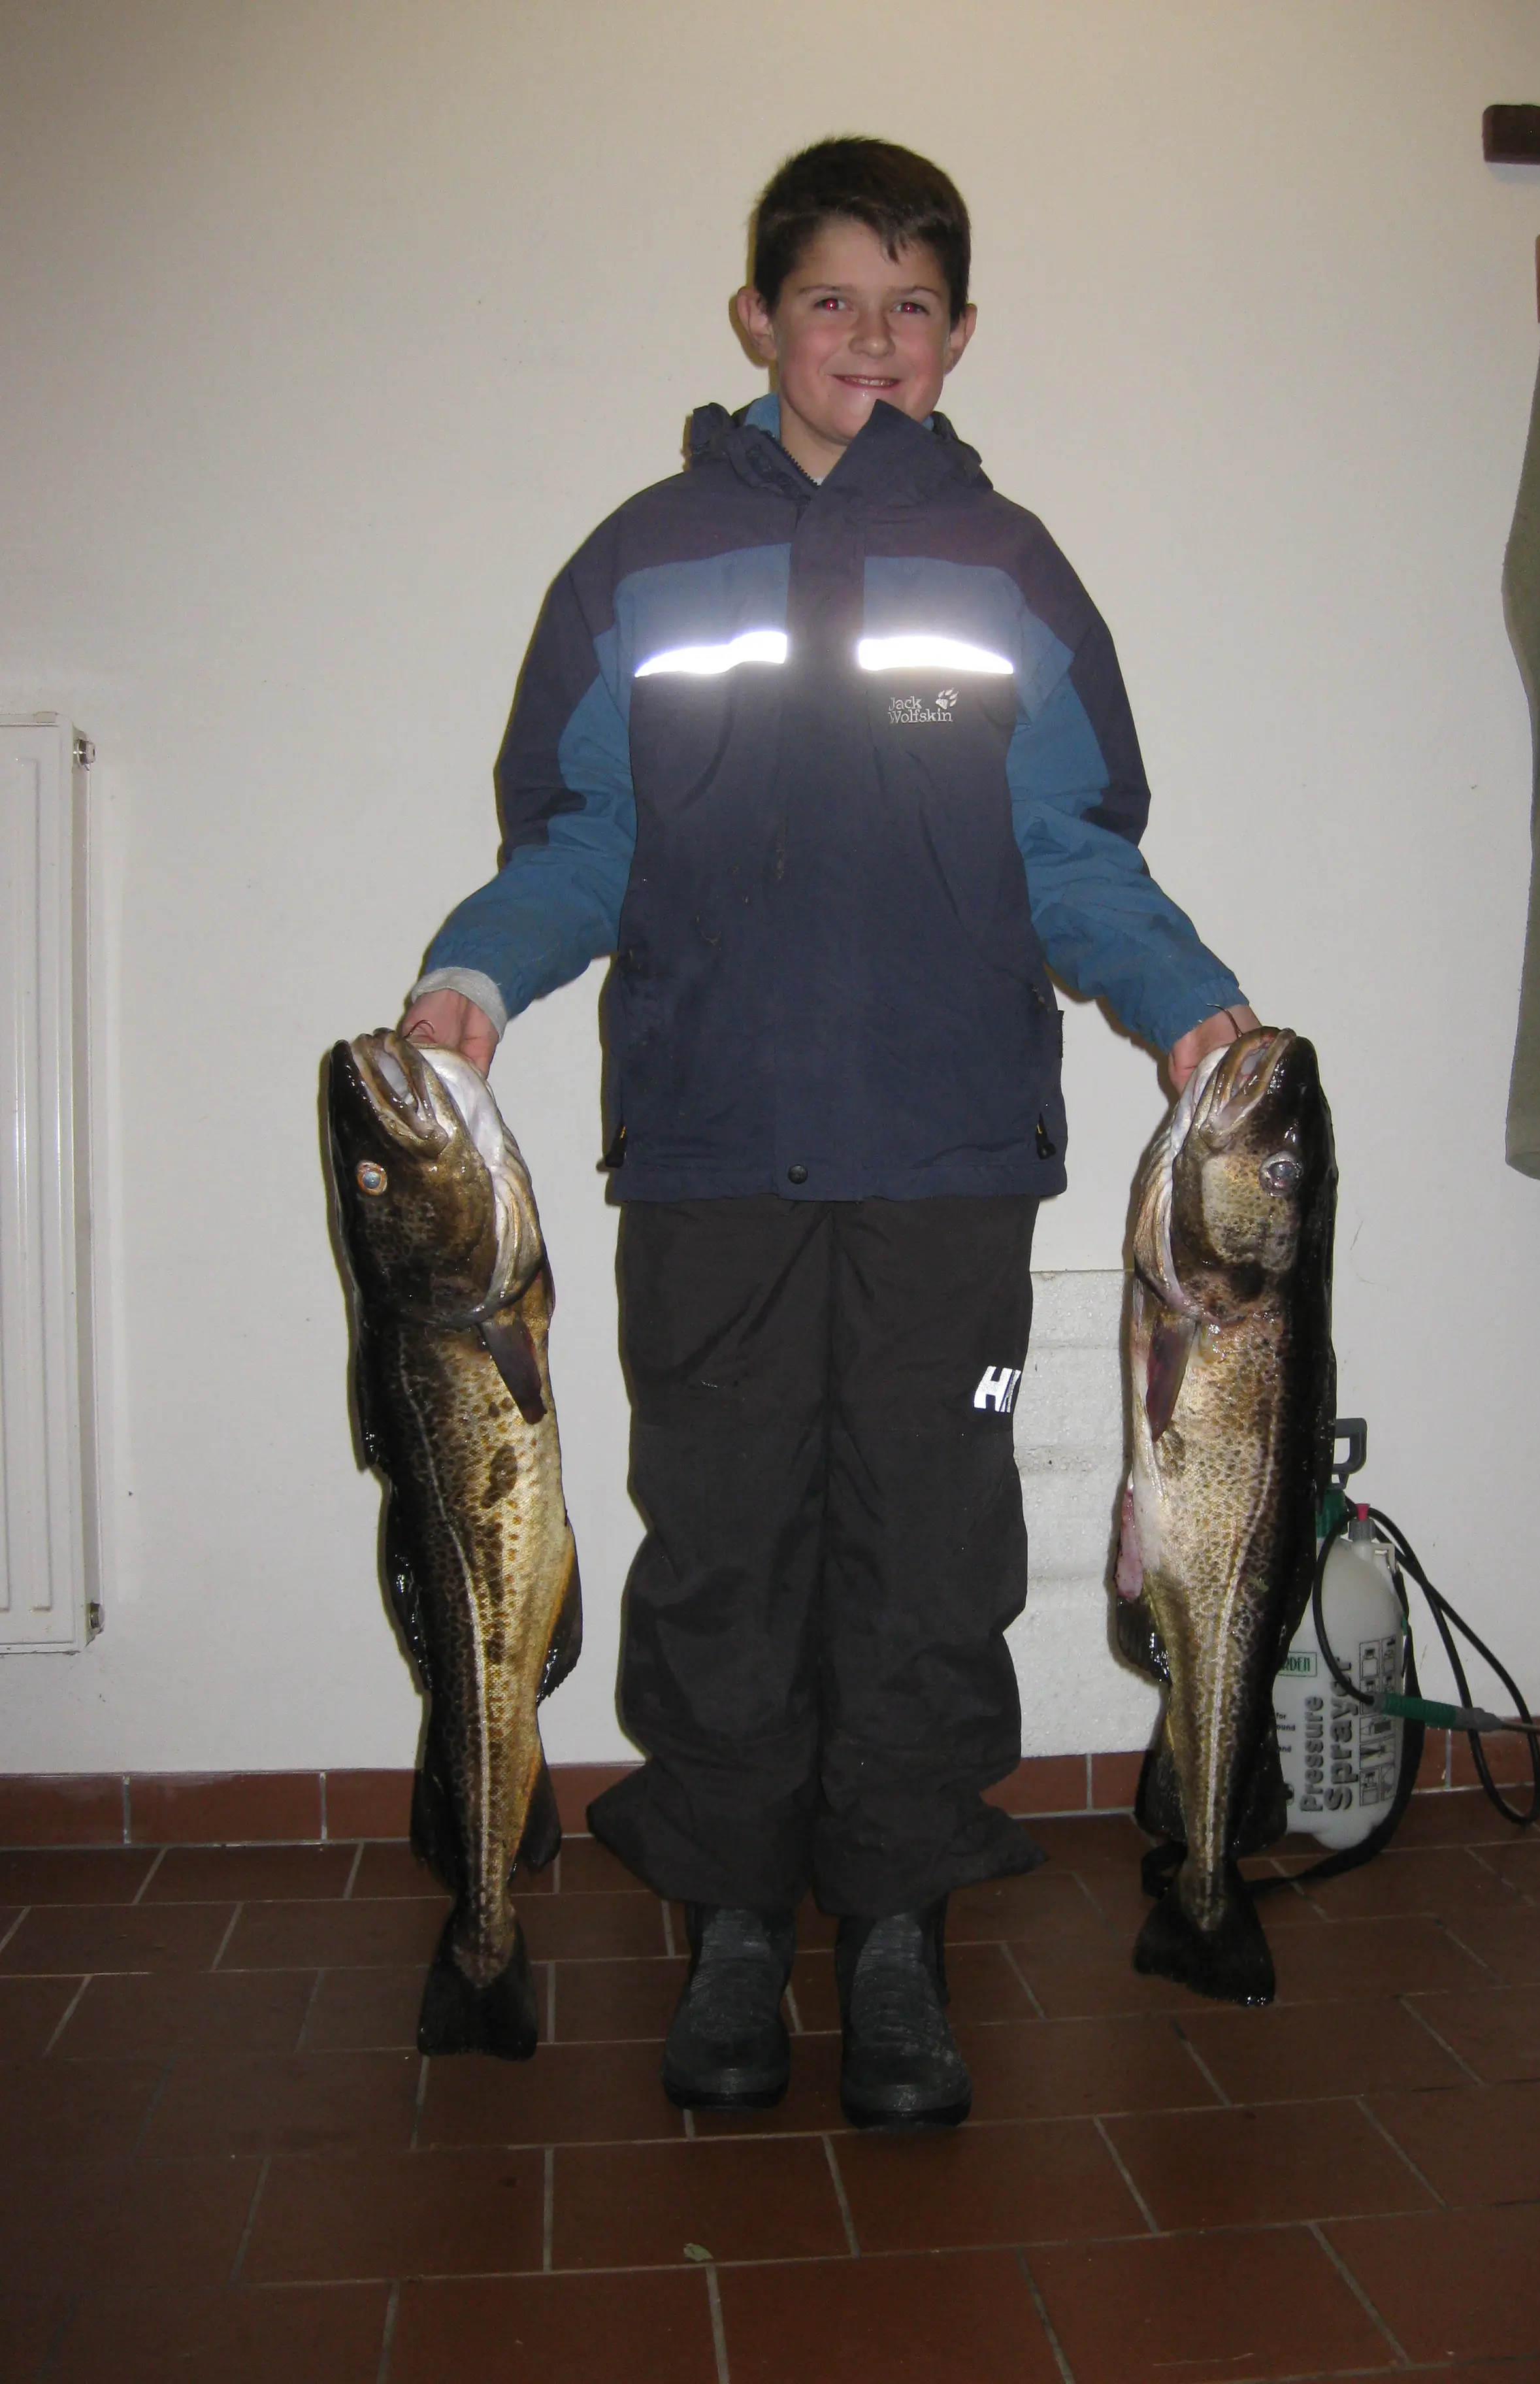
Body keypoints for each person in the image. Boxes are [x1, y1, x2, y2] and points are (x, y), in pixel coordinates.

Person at [402, 136, 1257, 2128]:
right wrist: (474, 977)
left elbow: (1077, 851)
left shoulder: (1010, 571)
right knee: (719, 1544)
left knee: (931, 1551)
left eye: (912, 306)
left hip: (948, 1171)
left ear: (961, 335)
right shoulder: (636, 564)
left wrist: (1188, 1003)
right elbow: (579, 838)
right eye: (831, 300)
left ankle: (893, 1929)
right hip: (709, 1161)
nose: (871, 338)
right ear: (756, 319)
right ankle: (725, 1923)